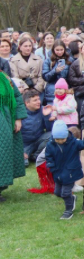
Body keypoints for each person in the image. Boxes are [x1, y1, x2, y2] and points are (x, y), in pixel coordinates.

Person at [45, 121, 84, 219]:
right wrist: (51, 166)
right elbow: (48, 156)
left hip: (70, 172)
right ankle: (72, 198)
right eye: (57, 139)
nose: (60, 141)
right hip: (58, 173)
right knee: (58, 192)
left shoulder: (74, 143)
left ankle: (68, 211)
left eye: (62, 139)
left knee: (65, 193)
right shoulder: (50, 145)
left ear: (67, 136)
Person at [0, 71, 27, 201]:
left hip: (6, 121)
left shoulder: (5, 78)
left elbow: (17, 97)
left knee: (4, 154)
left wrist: (18, 118)